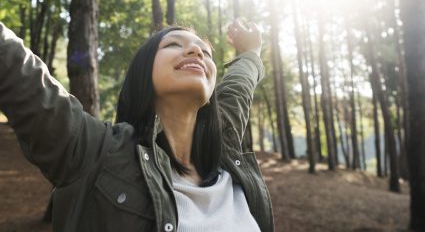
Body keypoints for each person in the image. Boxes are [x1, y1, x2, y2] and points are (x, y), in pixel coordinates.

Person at [0, 19, 274, 232]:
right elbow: (13, 65)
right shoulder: (96, 152)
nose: (196, 52)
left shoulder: (225, 148)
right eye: (173, 45)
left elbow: (239, 85)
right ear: (143, 71)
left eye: (204, 51)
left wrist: (252, 51)